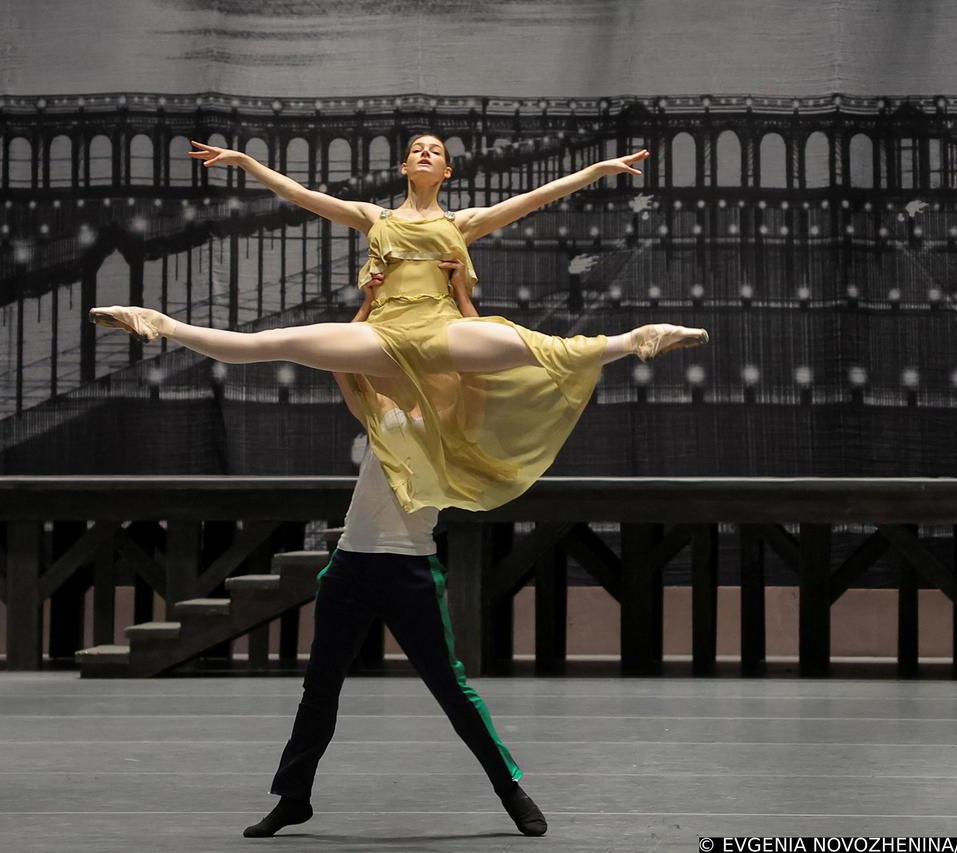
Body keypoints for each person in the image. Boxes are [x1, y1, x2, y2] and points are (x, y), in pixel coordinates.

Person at [89, 132, 708, 517]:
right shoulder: (373, 216)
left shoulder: (460, 223)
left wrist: (597, 171)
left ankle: (637, 338)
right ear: (405, 167)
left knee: (531, 345)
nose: (424, 153)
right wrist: (249, 163)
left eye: (435, 151)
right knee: (263, 345)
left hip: (440, 331)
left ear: (446, 174)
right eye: (416, 148)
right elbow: (304, 197)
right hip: (383, 335)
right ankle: (158, 323)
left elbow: (534, 199)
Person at [244, 273, 546, 837]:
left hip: (409, 566)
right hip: (351, 565)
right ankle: (293, 797)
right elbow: (339, 357)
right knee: (320, 687)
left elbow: (478, 351)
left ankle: (510, 790)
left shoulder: (454, 427)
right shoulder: (380, 415)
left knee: (451, 688)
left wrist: (458, 295)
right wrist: (365, 302)